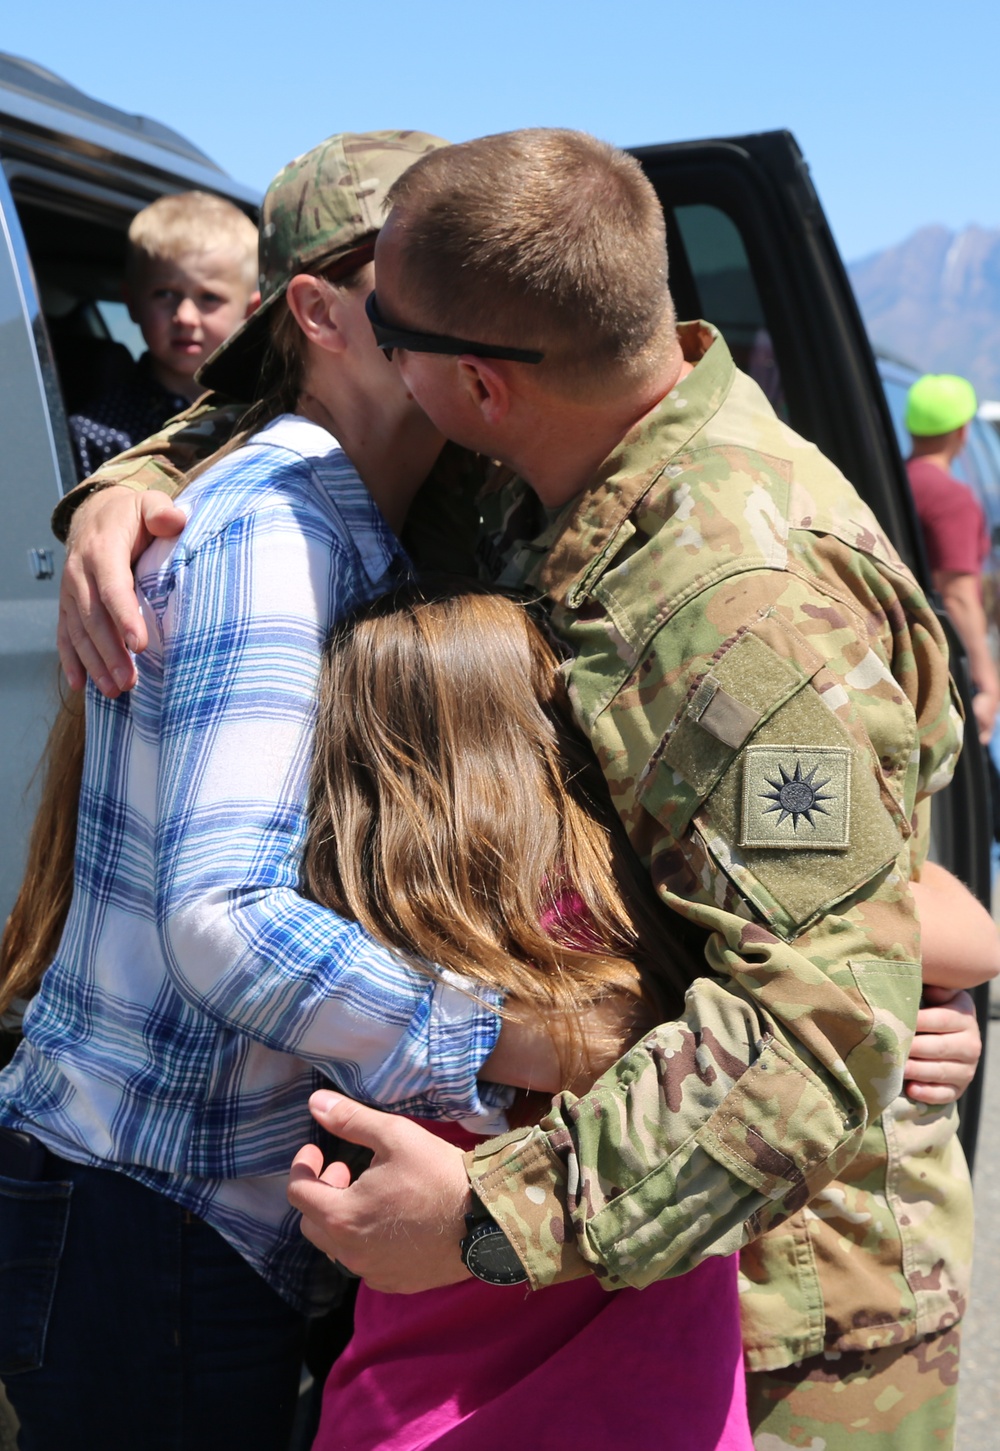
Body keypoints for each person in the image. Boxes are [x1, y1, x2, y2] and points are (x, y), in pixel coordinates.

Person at [42, 130, 986, 1449]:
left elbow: (823, 1014)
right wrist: (132, 481)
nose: (377, 349)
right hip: (614, 1244)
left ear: (475, 383)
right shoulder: (555, 444)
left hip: (786, 1289)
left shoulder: (746, 615)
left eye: (395, 329)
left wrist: (486, 1216)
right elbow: (283, 403)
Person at [0, 131, 551, 1451]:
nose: (479, 306)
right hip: (160, 1208)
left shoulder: (388, 510)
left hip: (188, 1203)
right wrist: (508, 1040)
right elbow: (226, 918)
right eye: (427, 271)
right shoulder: (278, 530)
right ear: (319, 311)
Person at [298, 580, 752, 1450]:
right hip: (662, 1414)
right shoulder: (655, 919)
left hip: (414, 1413)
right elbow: (909, 935)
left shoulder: (352, 948)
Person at [67, 191, 259, 479]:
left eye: (209, 297)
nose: (185, 316)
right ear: (131, 302)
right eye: (164, 294)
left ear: (250, 309)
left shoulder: (265, 413)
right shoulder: (97, 433)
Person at [905, 372, 1000, 745]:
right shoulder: (951, 497)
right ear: (962, 432)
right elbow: (958, 594)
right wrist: (987, 680)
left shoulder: (892, 482)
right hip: (941, 669)